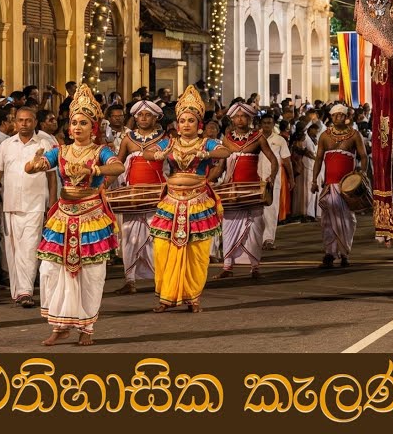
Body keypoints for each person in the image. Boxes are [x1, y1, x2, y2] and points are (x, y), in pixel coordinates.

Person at [24, 85, 124, 346]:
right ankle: (60, 324)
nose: (77, 127)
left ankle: (86, 327)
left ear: (93, 127)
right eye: (73, 123)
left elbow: (119, 165)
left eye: (83, 123)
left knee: (90, 273)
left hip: (91, 216)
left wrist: (96, 171)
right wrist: (34, 164)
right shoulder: (61, 150)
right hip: (63, 216)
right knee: (50, 271)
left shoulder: (100, 150)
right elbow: (36, 167)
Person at [146, 85, 230, 313]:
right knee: (163, 248)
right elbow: (146, 152)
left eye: (190, 121)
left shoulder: (205, 143)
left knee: (196, 252)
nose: (185, 124)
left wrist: (206, 154)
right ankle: (166, 296)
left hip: (198, 201)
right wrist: (158, 154)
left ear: (198, 124)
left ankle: (193, 297)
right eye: (182, 120)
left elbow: (225, 151)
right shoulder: (170, 143)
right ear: (177, 124)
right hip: (172, 202)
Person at [0, 107, 57, 307]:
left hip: (35, 204)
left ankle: (25, 291)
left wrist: (52, 204)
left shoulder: (46, 143)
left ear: (35, 122)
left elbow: (52, 177)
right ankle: (18, 292)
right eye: (20, 120)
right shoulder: (7, 145)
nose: (24, 124)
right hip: (10, 204)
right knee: (13, 250)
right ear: (15, 122)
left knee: (30, 248)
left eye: (28, 120)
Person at [216, 101, 278, 278]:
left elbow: (273, 160)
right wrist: (207, 181)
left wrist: (271, 177)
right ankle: (227, 266)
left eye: (244, 116)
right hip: (232, 191)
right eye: (236, 116)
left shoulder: (258, 137)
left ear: (250, 119)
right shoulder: (226, 139)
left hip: (252, 191)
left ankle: (255, 267)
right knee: (228, 228)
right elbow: (220, 167)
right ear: (232, 119)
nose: (240, 119)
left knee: (255, 229)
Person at [114, 100, 168, 295]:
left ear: (156, 118)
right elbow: (118, 164)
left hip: (157, 194)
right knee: (129, 236)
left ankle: (160, 280)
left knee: (156, 238)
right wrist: (104, 184)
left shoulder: (165, 139)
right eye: (140, 115)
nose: (143, 118)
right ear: (135, 118)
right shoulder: (128, 139)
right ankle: (130, 280)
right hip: (133, 196)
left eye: (147, 115)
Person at [311, 105, 367, 268]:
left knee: (348, 220)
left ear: (346, 116)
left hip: (347, 188)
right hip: (329, 186)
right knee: (328, 221)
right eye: (335, 115)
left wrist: (361, 176)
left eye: (341, 115)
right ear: (331, 116)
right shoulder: (324, 136)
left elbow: (364, 157)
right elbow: (318, 159)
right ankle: (329, 253)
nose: (338, 118)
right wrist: (314, 180)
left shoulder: (354, 135)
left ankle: (344, 254)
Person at [261, 114, 293, 247]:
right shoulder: (255, 138)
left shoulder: (280, 140)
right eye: (265, 123)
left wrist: (291, 178)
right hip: (256, 178)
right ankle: (257, 239)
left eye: (269, 123)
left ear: (273, 124)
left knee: (271, 209)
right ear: (261, 124)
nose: (267, 125)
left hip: (273, 179)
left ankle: (268, 239)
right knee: (257, 211)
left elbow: (286, 160)